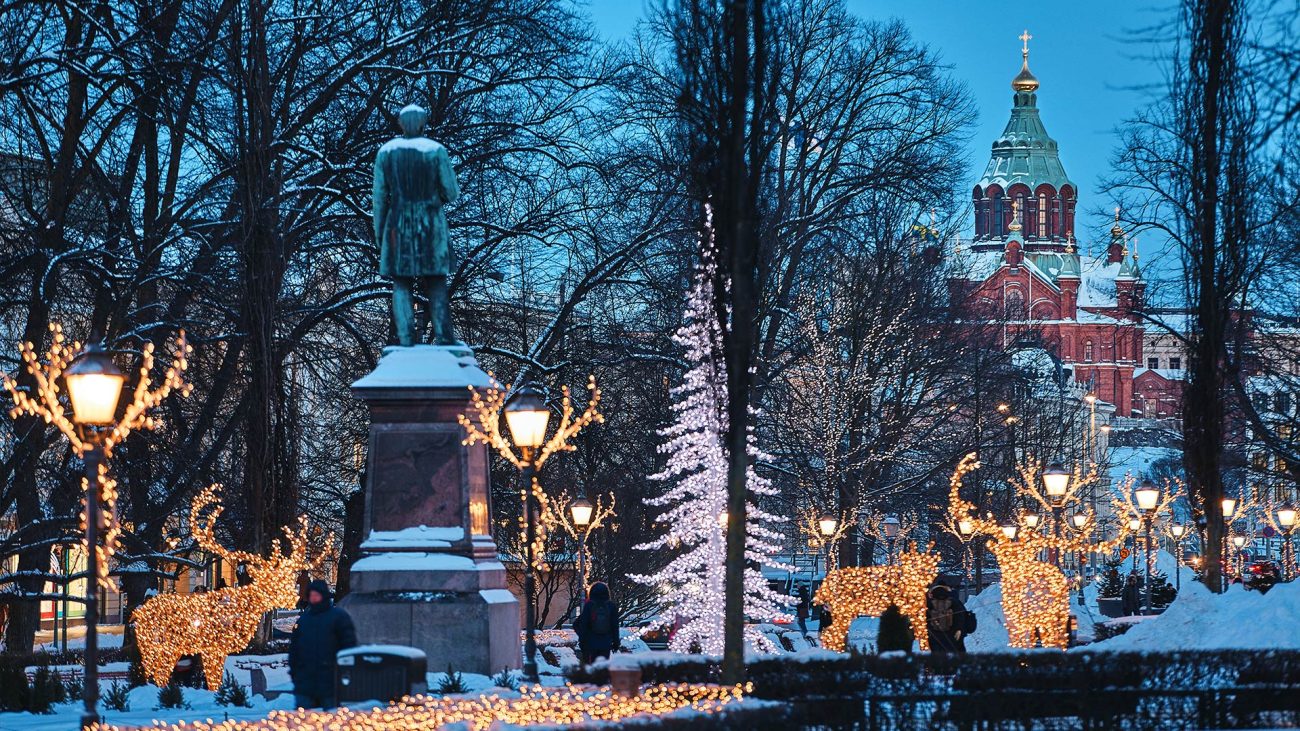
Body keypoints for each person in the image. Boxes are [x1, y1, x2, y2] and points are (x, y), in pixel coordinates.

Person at [289, 579, 357, 710]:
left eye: (317, 595)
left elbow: (348, 646)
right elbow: (295, 649)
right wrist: (295, 673)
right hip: (305, 682)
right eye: (311, 595)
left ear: (323, 595)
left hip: (331, 680)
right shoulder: (304, 620)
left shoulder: (339, 617)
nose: (314, 598)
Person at [574, 581, 621, 664]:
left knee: (592, 668)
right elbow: (615, 626)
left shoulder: (589, 605)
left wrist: (582, 640)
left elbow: (583, 624)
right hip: (606, 642)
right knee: (603, 666)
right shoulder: (611, 606)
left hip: (591, 642)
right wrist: (616, 642)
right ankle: (602, 676)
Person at [926, 584, 975, 653]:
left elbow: (925, 619)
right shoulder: (955, 602)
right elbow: (961, 617)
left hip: (936, 636)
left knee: (938, 657)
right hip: (954, 634)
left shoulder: (929, 604)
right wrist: (960, 629)